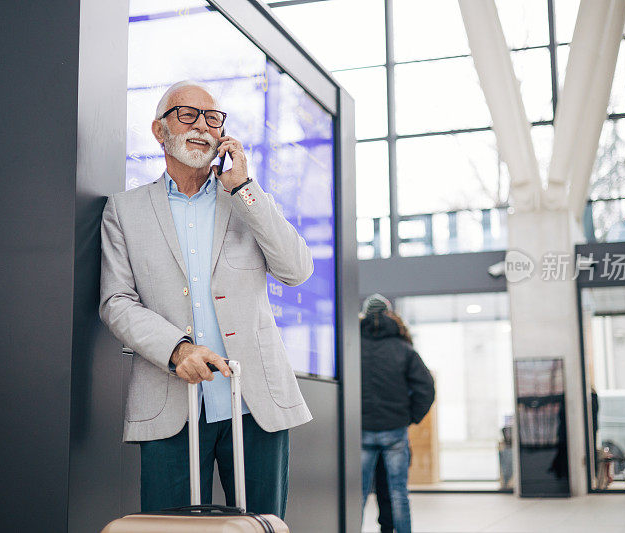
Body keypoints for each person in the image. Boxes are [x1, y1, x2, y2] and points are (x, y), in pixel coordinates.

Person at [99, 80, 314, 516]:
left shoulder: (246, 200)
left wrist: (244, 188)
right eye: (188, 114)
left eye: (213, 118)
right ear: (160, 131)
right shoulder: (124, 210)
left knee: (259, 526)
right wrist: (176, 350)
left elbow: (297, 270)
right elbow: (116, 300)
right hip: (168, 400)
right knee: (169, 530)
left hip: (255, 404)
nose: (202, 126)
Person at [360, 294, 435, 533]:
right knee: (398, 492)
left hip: (361, 429)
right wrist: (410, 416)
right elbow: (426, 389)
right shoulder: (404, 349)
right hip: (394, 430)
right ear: (391, 314)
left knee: (357, 493)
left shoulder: (351, 347)